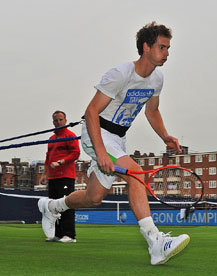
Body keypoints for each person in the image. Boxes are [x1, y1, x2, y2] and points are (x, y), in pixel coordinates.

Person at [38, 22, 189, 265]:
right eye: (162, 47)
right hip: (96, 131)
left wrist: (165, 136)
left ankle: (52, 207)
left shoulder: (157, 79)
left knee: (94, 196)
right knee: (136, 173)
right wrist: (100, 152)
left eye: (169, 48)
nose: (168, 53)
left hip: (118, 138)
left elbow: (152, 111)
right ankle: (155, 242)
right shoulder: (120, 74)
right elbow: (91, 112)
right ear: (146, 47)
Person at [40, 110, 80, 243]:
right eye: (56, 120)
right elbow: (47, 158)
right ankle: (57, 234)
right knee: (53, 207)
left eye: (60, 120)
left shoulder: (70, 135)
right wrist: (45, 174)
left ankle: (69, 235)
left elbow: (76, 153)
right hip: (53, 178)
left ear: (65, 120)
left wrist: (61, 161)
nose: (58, 122)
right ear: (53, 122)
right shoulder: (51, 139)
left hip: (66, 176)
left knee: (66, 204)